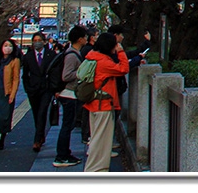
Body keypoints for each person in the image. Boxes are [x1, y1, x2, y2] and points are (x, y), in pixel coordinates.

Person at [82, 32, 129, 172]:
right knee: (102, 140)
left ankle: (94, 169)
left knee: (97, 138)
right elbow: (123, 69)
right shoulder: (104, 62)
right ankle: (96, 169)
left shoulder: (92, 57)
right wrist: (121, 52)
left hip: (94, 104)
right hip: (103, 105)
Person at [52, 25, 87, 167]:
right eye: (84, 37)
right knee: (67, 126)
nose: (86, 39)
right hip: (69, 94)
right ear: (79, 39)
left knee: (68, 125)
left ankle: (65, 153)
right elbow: (66, 76)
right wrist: (80, 73)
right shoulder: (72, 55)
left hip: (70, 93)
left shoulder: (73, 52)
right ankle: (61, 156)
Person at [20, 32, 57, 152]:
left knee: (42, 112)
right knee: (36, 113)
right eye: (35, 41)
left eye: (39, 40)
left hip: (46, 89)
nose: (37, 43)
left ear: (44, 42)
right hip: (33, 89)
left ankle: (37, 139)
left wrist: (54, 88)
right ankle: (40, 134)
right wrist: (27, 88)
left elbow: (55, 72)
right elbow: (25, 75)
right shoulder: (28, 57)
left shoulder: (51, 55)